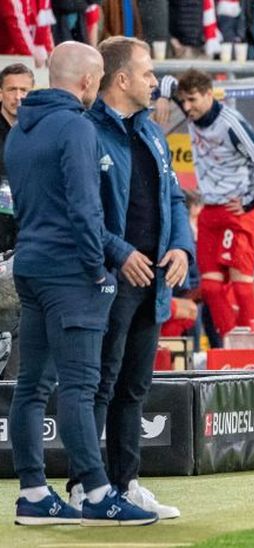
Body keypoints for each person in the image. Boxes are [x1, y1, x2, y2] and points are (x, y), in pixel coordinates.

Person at [6, 41, 157, 526]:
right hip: (72, 272)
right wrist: (99, 267)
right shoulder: (75, 126)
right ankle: (95, 493)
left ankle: (32, 491)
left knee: (31, 386)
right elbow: (84, 207)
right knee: (79, 386)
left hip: (30, 266)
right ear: (90, 81)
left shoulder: (19, 130)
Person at [62, 36, 194, 519]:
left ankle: (125, 483)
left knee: (134, 387)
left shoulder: (152, 131)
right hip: (106, 280)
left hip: (152, 281)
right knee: (99, 383)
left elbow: (175, 199)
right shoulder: (85, 132)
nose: (155, 81)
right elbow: (78, 210)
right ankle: (84, 486)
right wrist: (119, 253)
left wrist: (181, 246)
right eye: (147, 73)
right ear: (121, 80)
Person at [158, 69, 254, 337]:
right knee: (210, 287)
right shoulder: (191, 110)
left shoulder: (230, 123)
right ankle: (228, 342)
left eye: (192, 100)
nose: (186, 107)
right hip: (210, 208)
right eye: (183, 101)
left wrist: (248, 202)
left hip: (237, 211)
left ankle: (251, 340)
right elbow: (166, 80)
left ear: (209, 95)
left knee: (241, 283)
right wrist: (166, 97)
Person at [0, 64, 34, 381]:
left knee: (22, 342)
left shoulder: (38, 134)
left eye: (25, 90)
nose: (19, 97)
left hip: (27, 249)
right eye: (12, 89)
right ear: (1, 93)